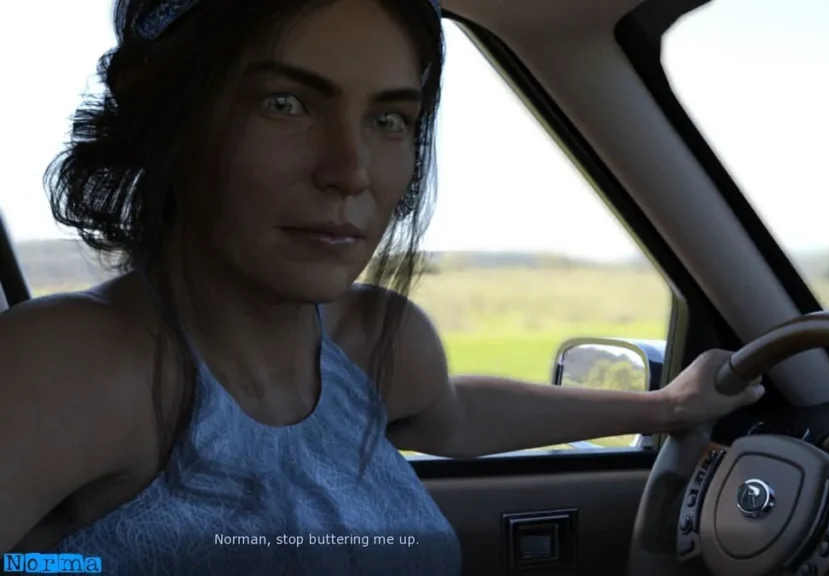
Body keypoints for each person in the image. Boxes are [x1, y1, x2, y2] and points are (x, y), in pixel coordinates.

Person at [0, 0, 764, 573]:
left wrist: (666, 408)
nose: (350, 170)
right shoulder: (68, 367)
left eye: (390, 120)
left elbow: (455, 417)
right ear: (167, 117)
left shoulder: (372, 339)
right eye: (285, 104)